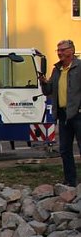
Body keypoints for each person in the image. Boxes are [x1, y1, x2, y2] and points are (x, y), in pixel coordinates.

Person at [39, 39, 81, 186]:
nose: (59, 53)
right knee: (65, 150)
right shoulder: (57, 69)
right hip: (63, 115)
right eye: (58, 50)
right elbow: (49, 91)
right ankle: (70, 181)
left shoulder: (79, 66)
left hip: (78, 114)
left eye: (62, 50)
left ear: (71, 51)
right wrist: (44, 82)